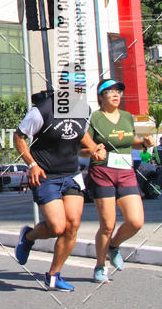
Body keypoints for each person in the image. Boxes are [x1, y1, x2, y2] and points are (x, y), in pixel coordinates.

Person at [13, 86, 106, 291]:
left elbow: (80, 135)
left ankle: (54, 275)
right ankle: (28, 236)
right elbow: (19, 137)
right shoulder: (43, 110)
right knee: (57, 227)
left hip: (71, 174)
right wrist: (32, 165)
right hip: (46, 175)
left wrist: (94, 149)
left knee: (72, 225)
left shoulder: (84, 110)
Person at [87, 79, 154, 282]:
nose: (116, 95)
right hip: (102, 172)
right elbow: (81, 147)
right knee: (107, 224)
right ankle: (99, 266)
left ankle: (113, 246)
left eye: (118, 91)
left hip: (125, 171)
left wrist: (143, 142)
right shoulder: (95, 118)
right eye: (110, 91)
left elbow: (128, 139)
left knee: (136, 221)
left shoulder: (126, 117)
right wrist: (92, 151)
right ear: (101, 96)